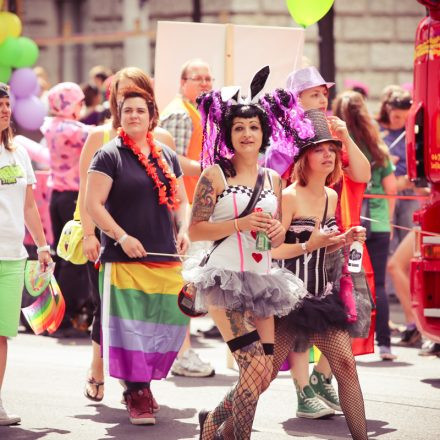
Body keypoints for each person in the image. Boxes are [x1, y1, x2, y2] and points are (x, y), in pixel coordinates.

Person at [213, 109, 369, 440]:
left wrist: (344, 238)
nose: (328, 155)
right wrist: (310, 243)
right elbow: (271, 251)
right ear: (303, 156)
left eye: (331, 149)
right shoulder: (287, 195)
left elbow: (321, 248)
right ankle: (217, 426)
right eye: (319, 149)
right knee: (263, 376)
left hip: (321, 298)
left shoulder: (330, 195)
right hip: (286, 301)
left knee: (346, 366)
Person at [187, 68, 311, 440]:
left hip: (264, 281)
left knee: (264, 374)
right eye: (239, 128)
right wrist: (239, 225)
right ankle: (217, 431)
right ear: (229, 134)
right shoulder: (214, 176)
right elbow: (195, 231)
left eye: (253, 128)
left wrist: (276, 231)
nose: (246, 134)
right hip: (224, 280)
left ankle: (219, 428)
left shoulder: (274, 180)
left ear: (263, 134)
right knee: (255, 369)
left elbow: (272, 238)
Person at [267, 66, 372, 419]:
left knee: (346, 310)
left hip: (337, 236)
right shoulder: (286, 135)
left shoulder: (330, 130)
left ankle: (322, 378)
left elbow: (363, 173)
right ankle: (302, 390)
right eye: (314, 93)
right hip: (297, 244)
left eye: (324, 93)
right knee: (296, 324)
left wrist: (344, 137)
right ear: (297, 99)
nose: (322, 99)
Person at [86, 84, 190, 425]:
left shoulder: (167, 154)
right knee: (131, 330)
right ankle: (137, 391)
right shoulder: (109, 154)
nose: (133, 116)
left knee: (165, 325)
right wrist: (121, 236)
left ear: (151, 117)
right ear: (120, 115)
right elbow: (93, 205)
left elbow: (181, 200)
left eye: (140, 111)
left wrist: (185, 229)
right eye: (127, 110)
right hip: (124, 256)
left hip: (164, 256)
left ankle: (140, 385)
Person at [160, 58, 217, 376]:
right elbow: (172, 161)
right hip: (187, 210)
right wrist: (206, 168)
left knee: (191, 281)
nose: (206, 83)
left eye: (209, 78)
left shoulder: (195, 111)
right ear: (183, 83)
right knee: (186, 282)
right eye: (199, 78)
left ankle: (181, 351)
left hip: (195, 208)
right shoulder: (181, 113)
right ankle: (181, 354)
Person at [0, 83, 52, 425]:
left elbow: (30, 205)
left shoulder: (17, 152)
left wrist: (43, 245)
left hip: (12, 256)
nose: (5, 110)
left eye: (7, 105)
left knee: (2, 333)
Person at [333, 90, 397, 361]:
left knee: (346, 281)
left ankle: (346, 341)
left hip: (349, 223)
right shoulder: (377, 147)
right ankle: (384, 344)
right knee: (377, 284)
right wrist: (388, 221)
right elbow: (390, 189)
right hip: (378, 224)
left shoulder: (338, 145)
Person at [41, 82, 92, 338]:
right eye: (79, 102)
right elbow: (100, 136)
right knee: (74, 261)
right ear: (70, 104)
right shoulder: (76, 130)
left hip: (56, 197)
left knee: (63, 258)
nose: (82, 106)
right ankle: (64, 318)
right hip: (74, 198)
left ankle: (54, 316)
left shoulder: (50, 126)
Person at [377, 86, 421, 346]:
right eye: (396, 117)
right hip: (385, 196)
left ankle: (412, 320)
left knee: (409, 258)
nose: (400, 122)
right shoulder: (377, 129)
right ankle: (395, 313)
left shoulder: (412, 130)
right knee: (389, 257)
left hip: (409, 195)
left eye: (405, 118)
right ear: (388, 110)